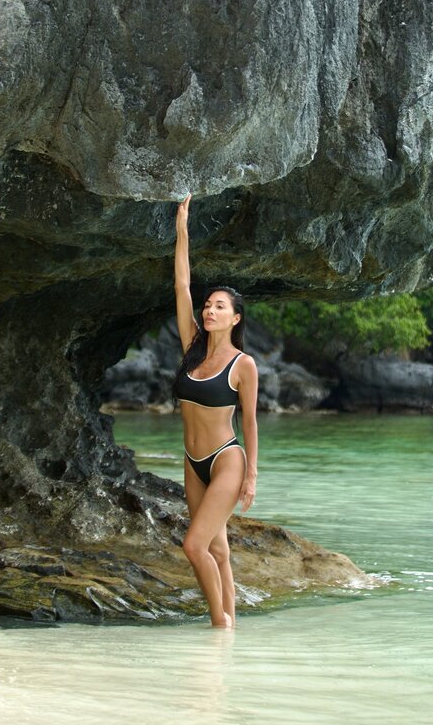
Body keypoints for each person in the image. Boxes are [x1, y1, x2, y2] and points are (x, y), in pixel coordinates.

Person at [172, 193, 258, 628]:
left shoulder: (243, 365)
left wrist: (251, 475)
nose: (209, 310)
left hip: (226, 460)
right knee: (218, 550)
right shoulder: (192, 347)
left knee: (194, 546)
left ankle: (218, 625)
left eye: (219, 306)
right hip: (193, 460)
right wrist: (182, 229)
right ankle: (230, 634)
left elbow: (250, 422)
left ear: (235, 318)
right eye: (208, 305)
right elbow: (181, 286)